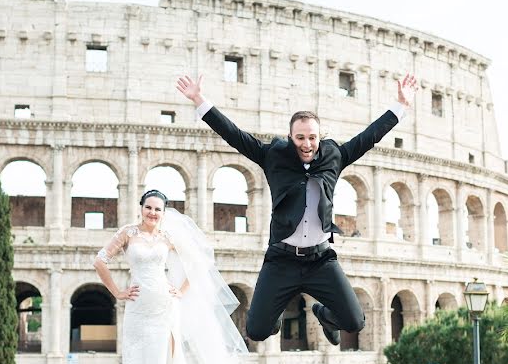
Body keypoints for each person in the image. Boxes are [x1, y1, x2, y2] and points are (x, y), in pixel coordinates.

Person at [176, 73, 417, 345]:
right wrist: (199, 99)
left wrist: (400, 107)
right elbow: (235, 135)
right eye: (300, 137)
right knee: (256, 330)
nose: (307, 144)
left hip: (320, 260)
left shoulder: (334, 157)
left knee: (354, 322)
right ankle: (273, 315)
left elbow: (368, 137)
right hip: (281, 260)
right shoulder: (273, 156)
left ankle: (324, 314)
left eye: (312, 137)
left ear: (319, 136)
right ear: (290, 137)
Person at [94, 189, 262, 364]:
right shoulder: (128, 233)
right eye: (148, 207)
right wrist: (117, 292)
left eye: (158, 209)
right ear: (141, 208)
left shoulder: (168, 237)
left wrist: (181, 291)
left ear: (163, 212)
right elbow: (100, 260)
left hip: (164, 308)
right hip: (138, 310)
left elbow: (198, 264)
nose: (152, 213)